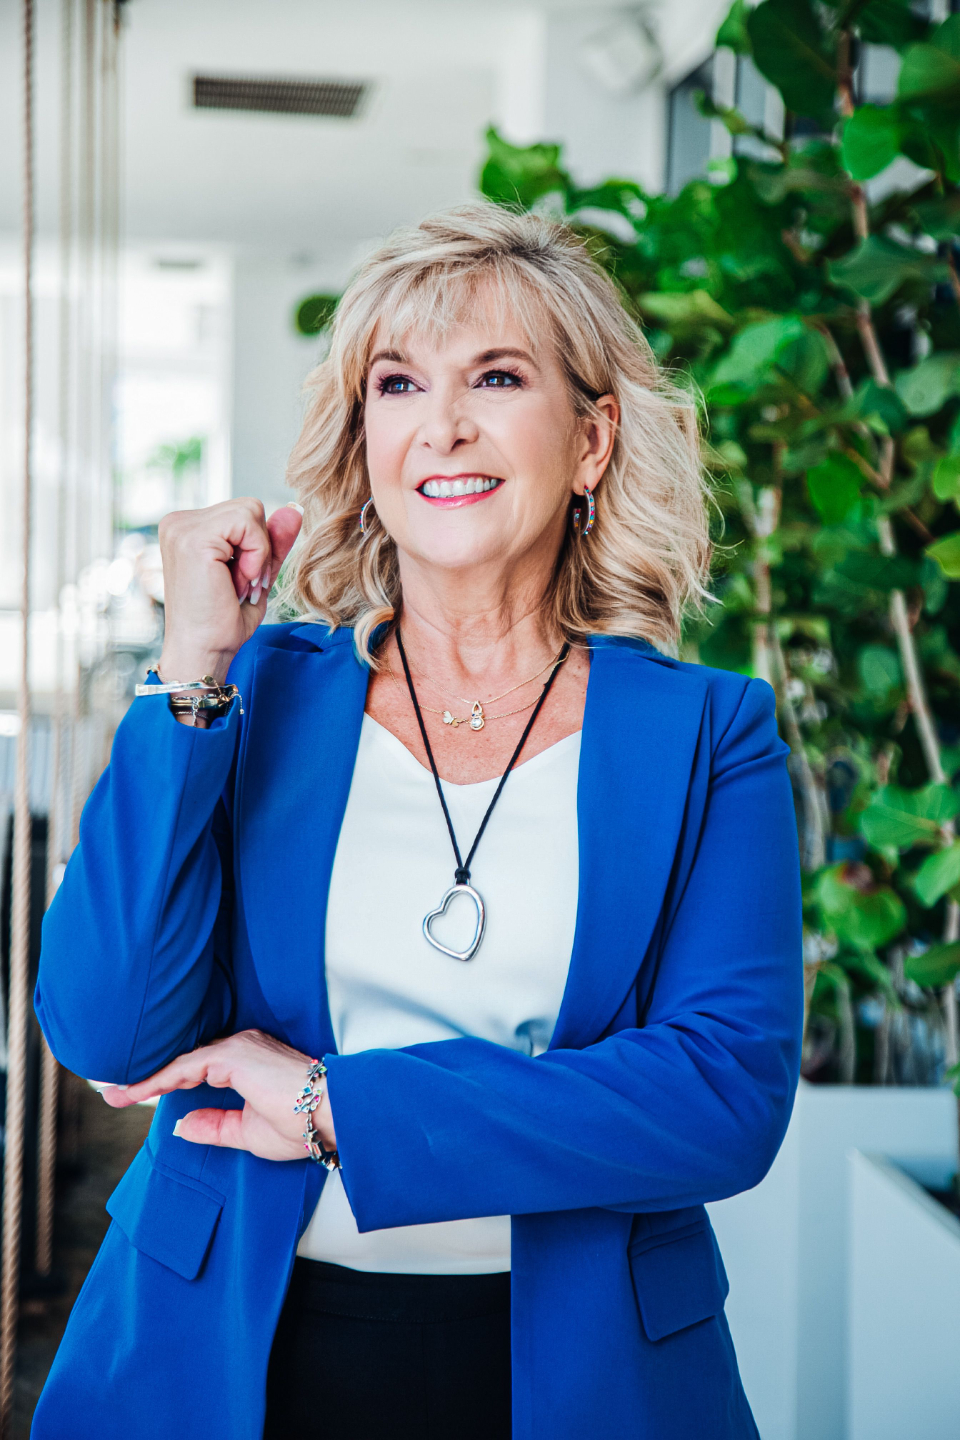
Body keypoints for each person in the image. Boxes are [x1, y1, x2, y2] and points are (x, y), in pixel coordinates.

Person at [32, 203, 802, 1440]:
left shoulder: (711, 733)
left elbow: (721, 1097)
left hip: (588, 1364)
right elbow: (109, 1030)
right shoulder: (250, 695)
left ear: (592, 439)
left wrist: (336, 1107)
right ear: (366, 439)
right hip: (228, 1341)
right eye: (399, 384)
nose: (443, 424)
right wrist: (190, 673)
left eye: (496, 377)